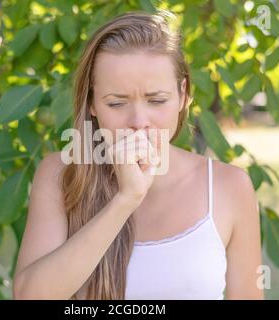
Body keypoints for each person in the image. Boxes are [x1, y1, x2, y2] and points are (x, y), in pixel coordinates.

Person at [13, 10, 263, 300]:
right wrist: (125, 199)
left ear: (183, 95)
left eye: (156, 100)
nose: (138, 120)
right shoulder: (61, 173)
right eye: (117, 103)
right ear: (92, 102)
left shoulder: (229, 187)